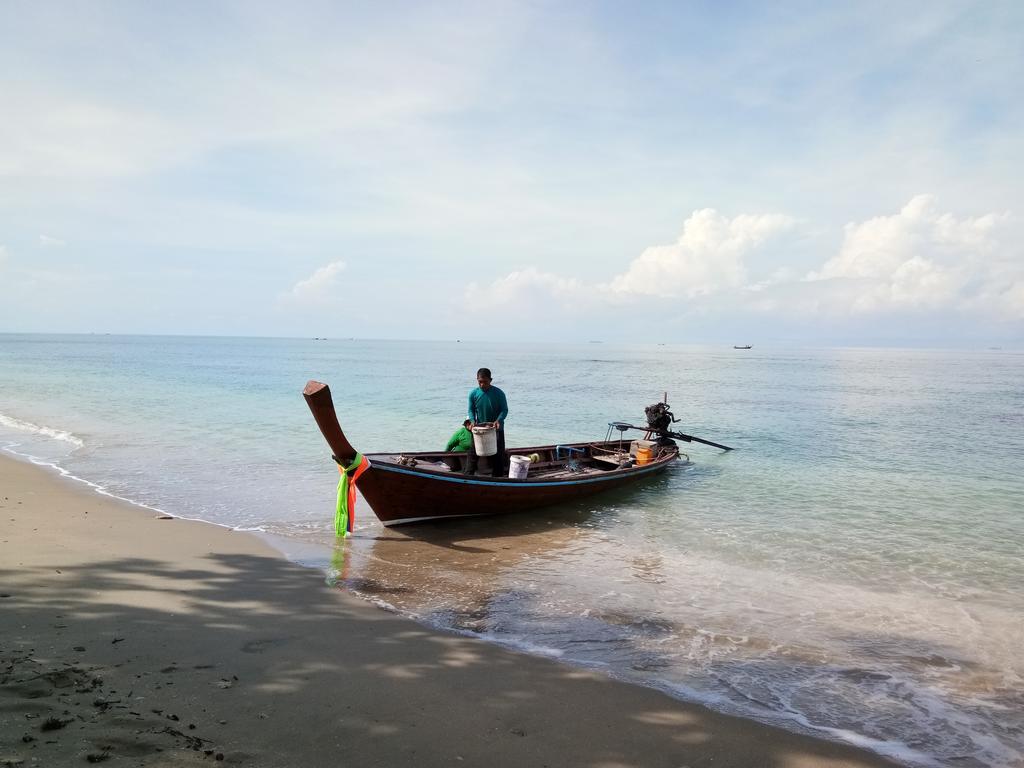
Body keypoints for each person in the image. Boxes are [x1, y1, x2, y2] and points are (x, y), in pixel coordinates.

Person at [465, 367, 508, 477]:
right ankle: (467, 477)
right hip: (479, 429)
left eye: (485, 382)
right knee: (473, 455)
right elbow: (471, 410)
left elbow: (504, 410)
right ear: (477, 380)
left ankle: (498, 479)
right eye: (480, 382)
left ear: (490, 380)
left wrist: (498, 420)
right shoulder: (473, 394)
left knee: (498, 456)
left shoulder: (499, 393)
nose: (482, 385)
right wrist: (472, 421)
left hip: (496, 429)